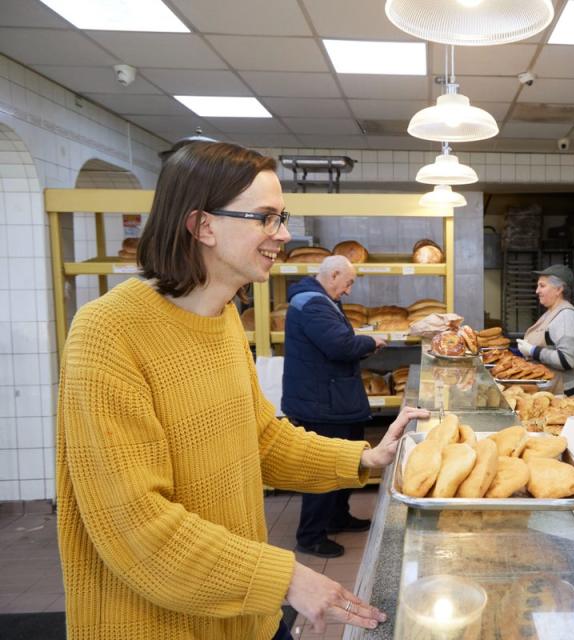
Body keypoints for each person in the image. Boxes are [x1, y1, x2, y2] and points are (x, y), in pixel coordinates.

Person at [55, 141, 428, 640]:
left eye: (283, 216)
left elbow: (260, 440)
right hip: (159, 624)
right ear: (203, 225)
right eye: (267, 218)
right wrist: (287, 578)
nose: (286, 234)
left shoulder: (224, 314)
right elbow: (136, 528)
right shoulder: (107, 334)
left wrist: (366, 459)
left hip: (243, 612)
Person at [282, 255, 388, 558]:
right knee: (323, 468)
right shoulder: (312, 304)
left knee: (348, 459)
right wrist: (371, 342)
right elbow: (340, 346)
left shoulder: (321, 301)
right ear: (334, 274)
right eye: (349, 283)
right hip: (321, 404)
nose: (349, 290)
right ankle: (311, 535)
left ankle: (337, 516)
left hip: (333, 398)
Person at [517, 264, 574, 406]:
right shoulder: (552, 311)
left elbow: (567, 359)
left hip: (569, 397)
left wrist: (533, 351)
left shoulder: (566, 315)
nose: (537, 291)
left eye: (542, 286)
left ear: (559, 289)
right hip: (554, 392)